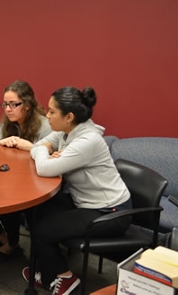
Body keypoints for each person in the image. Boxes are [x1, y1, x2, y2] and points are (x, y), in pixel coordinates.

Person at [21, 86, 132, 295]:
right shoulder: (66, 132)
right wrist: (45, 151)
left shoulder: (87, 141)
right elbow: (38, 145)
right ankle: (47, 274)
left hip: (111, 211)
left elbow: (43, 167)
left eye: (52, 112)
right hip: (86, 202)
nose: (47, 115)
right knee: (37, 210)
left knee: (43, 231)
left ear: (69, 116)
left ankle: (66, 279)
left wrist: (46, 155)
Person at [0, 80, 52, 261]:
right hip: (10, 176)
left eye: (14, 104)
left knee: (6, 199)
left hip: (36, 181)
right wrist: (1, 143)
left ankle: (12, 243)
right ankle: (4, 237)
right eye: (5, 104)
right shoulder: (8, 123)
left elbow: (52, 155)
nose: (8, 109)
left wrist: (29, 146)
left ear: (27, 105)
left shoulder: (44, 126)